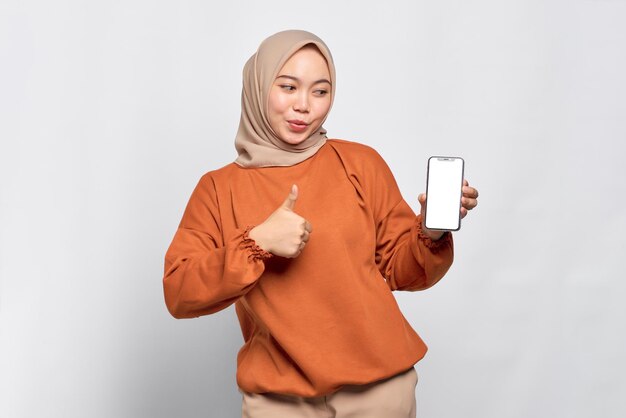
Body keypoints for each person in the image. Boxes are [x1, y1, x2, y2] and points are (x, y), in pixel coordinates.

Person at [163, 30, 479, 418]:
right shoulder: (218, 188)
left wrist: (430, 232)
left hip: (379, 392)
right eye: (288, 87)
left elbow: (404, 271)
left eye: (320, 91)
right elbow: (179, 292)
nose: (304, 106)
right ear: (259, 85)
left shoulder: (360, 164)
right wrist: (256, 242)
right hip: (278, 401)